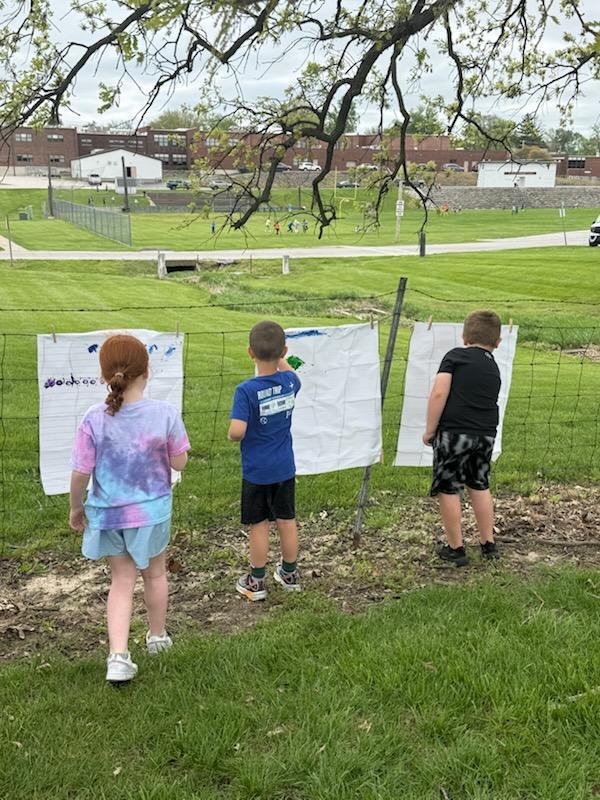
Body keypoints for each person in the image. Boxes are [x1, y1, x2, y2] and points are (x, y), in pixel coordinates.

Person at [69, 334, 190, 683]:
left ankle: (118, 657)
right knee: (155, 574)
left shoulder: (93, 418)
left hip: (108, 515)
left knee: (121, 581)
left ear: (105, 375)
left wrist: (77, 508)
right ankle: (157, 638)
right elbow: (179, 462)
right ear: (146, 370)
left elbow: (80, 473)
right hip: (151, 514)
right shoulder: (165, 413)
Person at [228, 321, 301, 601]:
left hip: (257, 472)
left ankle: (256, 581)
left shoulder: (246, 391)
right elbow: (295, 375)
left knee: (259, 525)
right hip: (285, 468)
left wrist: (233, 434)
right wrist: (282, 359)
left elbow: (237, 431)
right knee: (286, 520)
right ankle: (290, 573)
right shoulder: (290, 382)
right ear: (284, 351)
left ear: (250, 352)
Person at [422, 310, 502, 566]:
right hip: (485, 434)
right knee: (479, 484)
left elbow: (438, 393)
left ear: (464, 336)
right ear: (497, 343)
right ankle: (488, 543)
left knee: (449, 487)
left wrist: (430, 430)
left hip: (455, 433)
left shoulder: (455, 356)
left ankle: (455, 548)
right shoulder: (493, 366)